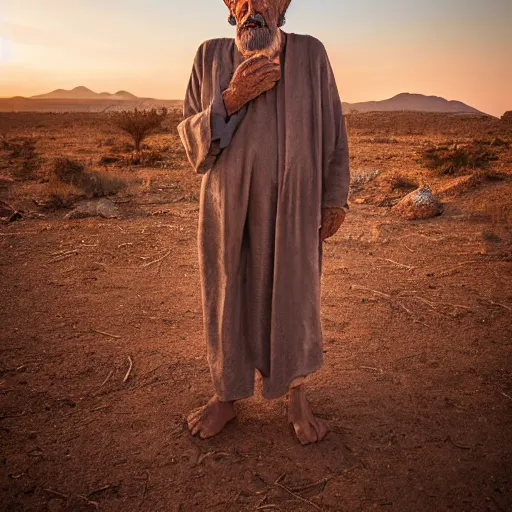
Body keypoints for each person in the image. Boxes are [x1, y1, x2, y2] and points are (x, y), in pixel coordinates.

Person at [178, 0, 350, 445]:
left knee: (294, 293)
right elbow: (191, 140)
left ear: (285, 4)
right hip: (227, 206)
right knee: (227, 293)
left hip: (294, 207)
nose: (254, 6)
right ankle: (226, 397)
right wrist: (231, 99)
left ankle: (295, 394)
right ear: (231, 8)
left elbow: (334, 132)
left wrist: (335, 197)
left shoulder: (311, 55)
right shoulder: (209, 56)